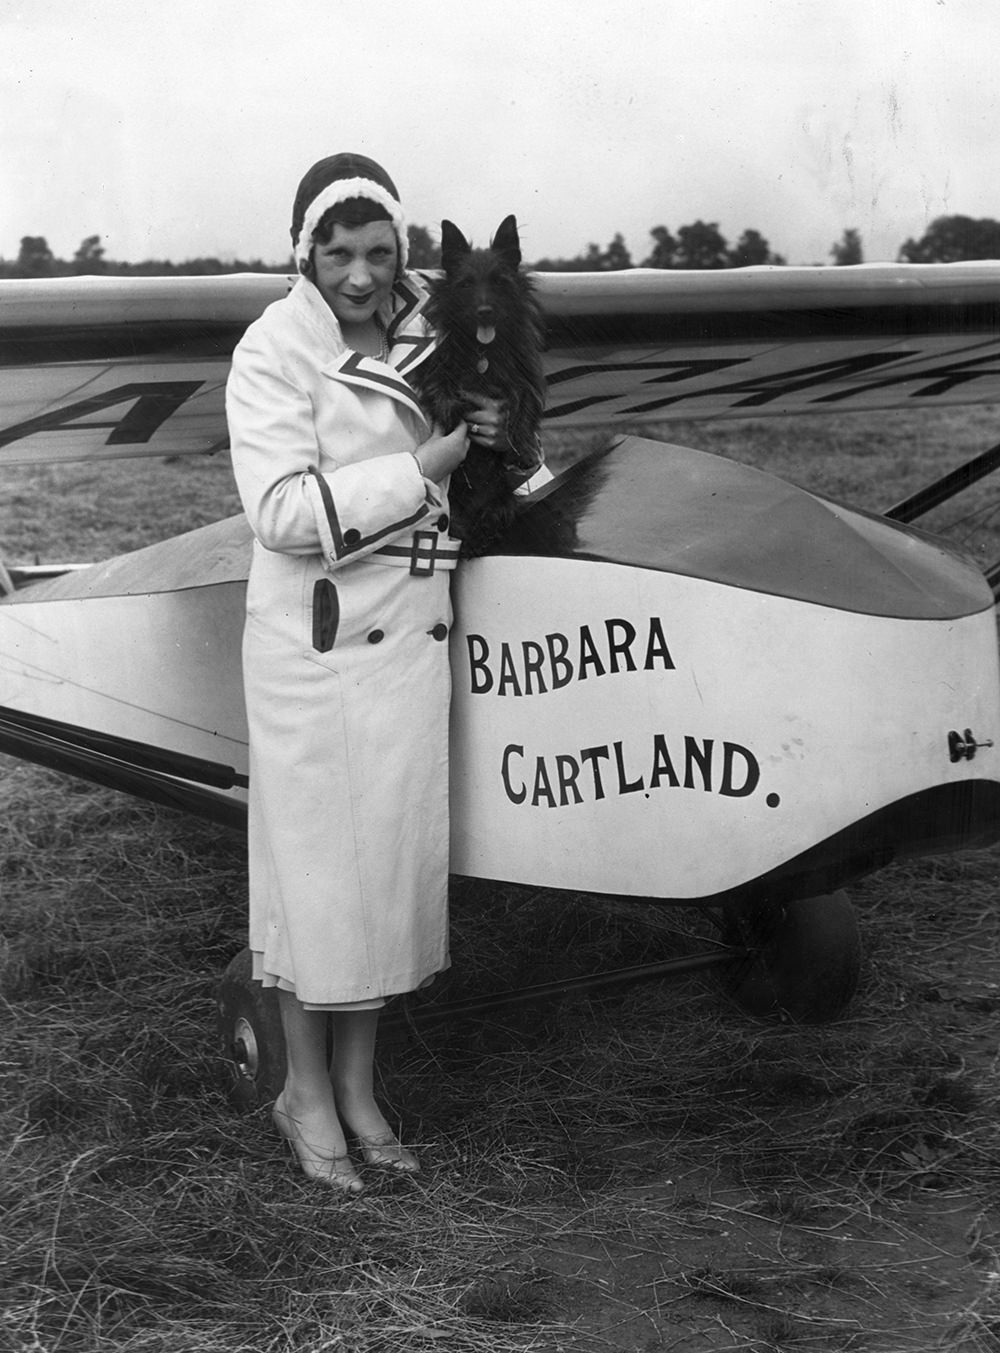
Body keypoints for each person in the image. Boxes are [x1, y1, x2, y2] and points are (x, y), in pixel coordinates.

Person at [225, 153, 523, 1193]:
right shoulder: (273, 350)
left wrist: (496, 441)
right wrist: (427, 466)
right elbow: (280, 516)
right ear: (303, 252)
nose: (361, 274)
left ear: (402, 254)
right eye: (339, 252)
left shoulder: (432, 337)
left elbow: (499, 468)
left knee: (381, 886)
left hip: (410, 643)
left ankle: (358, 1091)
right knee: (319, 893)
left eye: (380, 252)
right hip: (318, 649)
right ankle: (303, 1095)